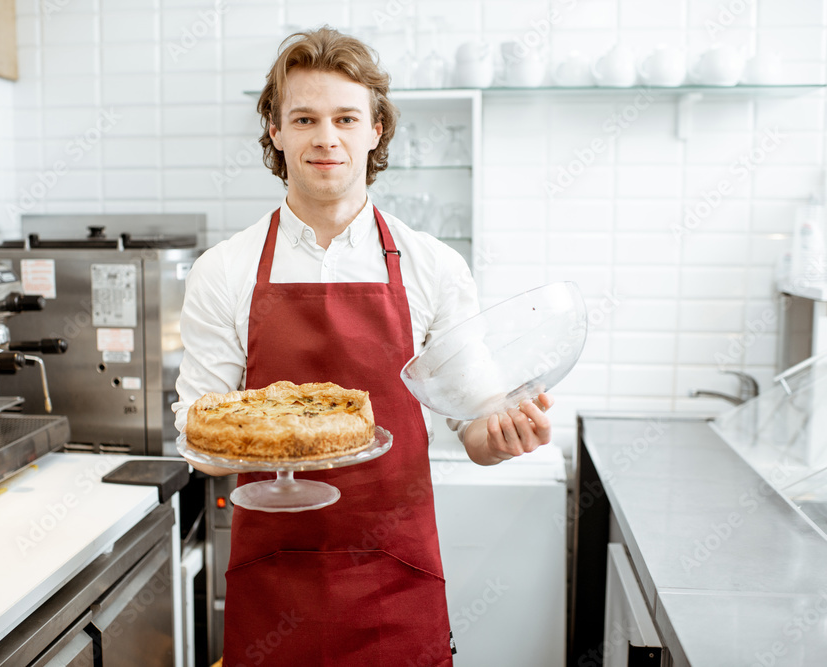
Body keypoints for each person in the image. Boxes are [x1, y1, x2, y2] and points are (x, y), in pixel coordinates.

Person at [174, 26, 554, 666]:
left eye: (346, 117)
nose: (327, 137)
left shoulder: (432, 267)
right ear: (276, 131)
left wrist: (510, 433)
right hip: (272, 575)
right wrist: (219, 446)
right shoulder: (224, 269)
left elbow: (477, 432)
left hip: (394, 573)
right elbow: (200, 437)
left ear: (375, 129)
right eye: (305, 118)